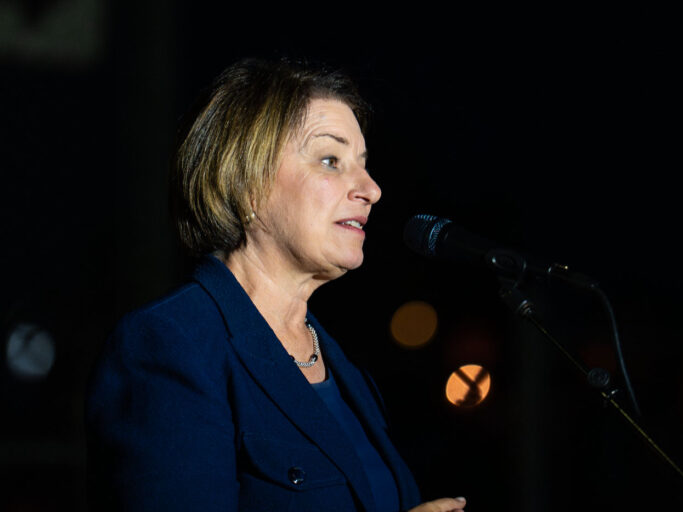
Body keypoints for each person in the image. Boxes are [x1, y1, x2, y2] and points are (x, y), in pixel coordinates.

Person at [85, 58, 467, 512]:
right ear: (248, 183)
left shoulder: (341, 363)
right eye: (331, 160)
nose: (371, 188)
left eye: (363, 165)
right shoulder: (169, 346)